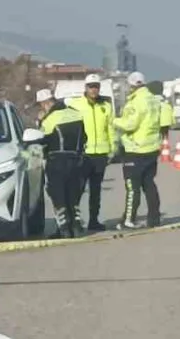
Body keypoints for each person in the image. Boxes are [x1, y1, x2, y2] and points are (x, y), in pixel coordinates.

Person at [35, 88, 88, 238]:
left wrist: (40, 122)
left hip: (56, 161)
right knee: (73, 193)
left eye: (41, 105)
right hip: (77, 160)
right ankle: (76, 226)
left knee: (57, 194)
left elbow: (42, 140)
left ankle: (64, 228)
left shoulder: (51, 119)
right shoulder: (75, 113)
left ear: (45, 103)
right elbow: (84, 137)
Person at [66, 74, 116, 232]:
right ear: (85, 88)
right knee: (78, 190)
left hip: (100, 155)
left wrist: (112, 150)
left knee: (96, 191)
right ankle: (74, 221)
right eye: (91, 86)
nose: (94, 89)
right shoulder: (76, 105)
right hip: (83, 155)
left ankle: (94, 220)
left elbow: (110, 129)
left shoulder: (106, 106)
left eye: (96, 86)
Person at [114, 71, 164, 230]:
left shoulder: (136, 102)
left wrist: (113, 121)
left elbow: (130, 124)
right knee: (149, 184)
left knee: (132, 186)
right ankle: (154, 219)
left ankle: (129, 219)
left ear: (131, 85)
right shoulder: (153, 99)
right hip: (151, 148)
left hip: (135, 149)